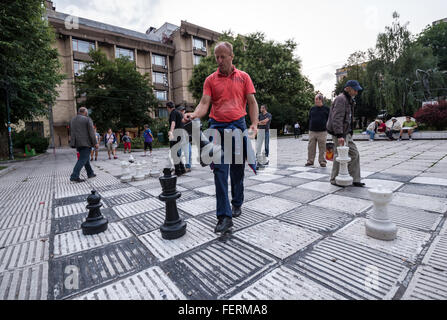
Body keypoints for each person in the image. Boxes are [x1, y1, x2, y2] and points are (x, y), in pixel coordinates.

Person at [185, 41, 259, 234]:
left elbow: (252, 102)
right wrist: (194, 114)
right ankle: (224, 217)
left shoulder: (243, 77)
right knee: (219, 171)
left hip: (238, 126)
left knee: (237, 170)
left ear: (231, 56)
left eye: (222, 56)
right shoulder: (210, 80)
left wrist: (254, 123)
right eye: (216, 57)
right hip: (217, 127)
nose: (219, 60)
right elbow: (204, 103)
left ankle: (237, 202)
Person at [327, 80, 365, 187]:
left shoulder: (349, 100)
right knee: (339, 155)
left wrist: (350, 131)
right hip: (339, 132)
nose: (357, 92)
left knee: (354, 153)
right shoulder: (341, 99)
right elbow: (337, 118)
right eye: (355, 89)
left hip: (346, 132)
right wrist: (339, 135)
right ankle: (334, 179)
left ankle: (354, 178)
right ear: (348, 88)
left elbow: (348, 118)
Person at [69, 107, 98, 182]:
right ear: (85, 112)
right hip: (86, 143)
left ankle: (90, 173)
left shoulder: (72, 120)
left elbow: (70, 132)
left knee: (85, 158)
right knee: (82, 159)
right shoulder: (87, 119)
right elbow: (91, 132)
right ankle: (74, 176)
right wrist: (95, 143)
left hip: (77, 143)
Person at [306, 94, 330, 167]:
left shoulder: (327, 109)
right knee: (311, 147)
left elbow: (329, 119)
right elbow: (309, 118)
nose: (315, 101)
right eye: (315, 99)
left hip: (322, 131)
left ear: (321, 100)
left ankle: (322, 161)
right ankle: (310, 161)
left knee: (322, 147)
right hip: (312, 131)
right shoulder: (312, 109)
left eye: (316, 99)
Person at [167, 101, 186, 176]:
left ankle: (178, 171)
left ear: (168, 108)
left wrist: (171, 132)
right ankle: (182, 169)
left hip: (175, 134)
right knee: (176, 152)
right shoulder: (179, 113)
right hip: (180, 134)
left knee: (174, 153)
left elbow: (173, 123)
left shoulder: (173, 113)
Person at [177, 105, 192, 173]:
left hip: (186, 138)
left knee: (188, 153)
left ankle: (188, 167)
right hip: (179, 138)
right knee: (178, 153)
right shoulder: (177, 119)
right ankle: (179, 166)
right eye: (181, 110)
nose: (183, 112)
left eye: (183, 110)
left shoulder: (187, 119)